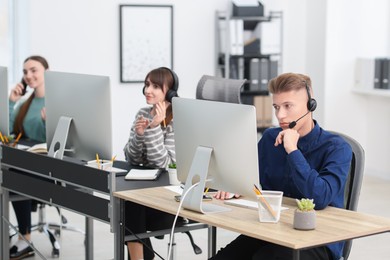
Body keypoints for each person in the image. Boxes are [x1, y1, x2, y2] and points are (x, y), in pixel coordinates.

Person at [211, 72, 352, 260]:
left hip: (317, 240)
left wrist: (293, 150)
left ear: (311, 105)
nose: (280, 115)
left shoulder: (337, 148)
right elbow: (249, 177)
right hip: (272, 231)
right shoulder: (270, 138)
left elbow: (320, 198)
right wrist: (235, 187)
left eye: (288, 106)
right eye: (276, 107)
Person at [123, 67, 179, 260]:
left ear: (169, 93)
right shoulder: (143, 112)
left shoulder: (177, 119)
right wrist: (139, 136)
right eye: (147, 85)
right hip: (144, 191)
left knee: (130, 203)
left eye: (155, 86)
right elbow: (132, 158)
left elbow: (165, 163)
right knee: (126, 200)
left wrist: (154, 128)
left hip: (167, 199)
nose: (148, 90)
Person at [8, 55, 49, 259]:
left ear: (46, 73)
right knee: (10, 171)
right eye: (25, 72)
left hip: (47, 165)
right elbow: (7, 133)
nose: (28, 75)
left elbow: (64, 142)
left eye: (34, 70)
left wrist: (47, 122)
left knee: (15, 175)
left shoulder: (57, 100)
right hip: (25, 159)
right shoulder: (25, 103)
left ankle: (25, 239)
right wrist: (10, 102)